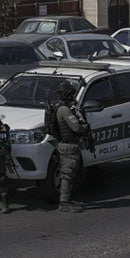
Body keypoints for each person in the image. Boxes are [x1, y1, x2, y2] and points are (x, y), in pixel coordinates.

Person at [54, 80, 90, 213]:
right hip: (68, 146)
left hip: (65, 145)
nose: (72, 96)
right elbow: (75, 127)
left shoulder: (60, 107)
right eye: (70, 94)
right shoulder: (64, 109)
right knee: (67, 175)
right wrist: (85, 127)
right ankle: (64, 203)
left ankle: (67, 200)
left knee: (69, 173)